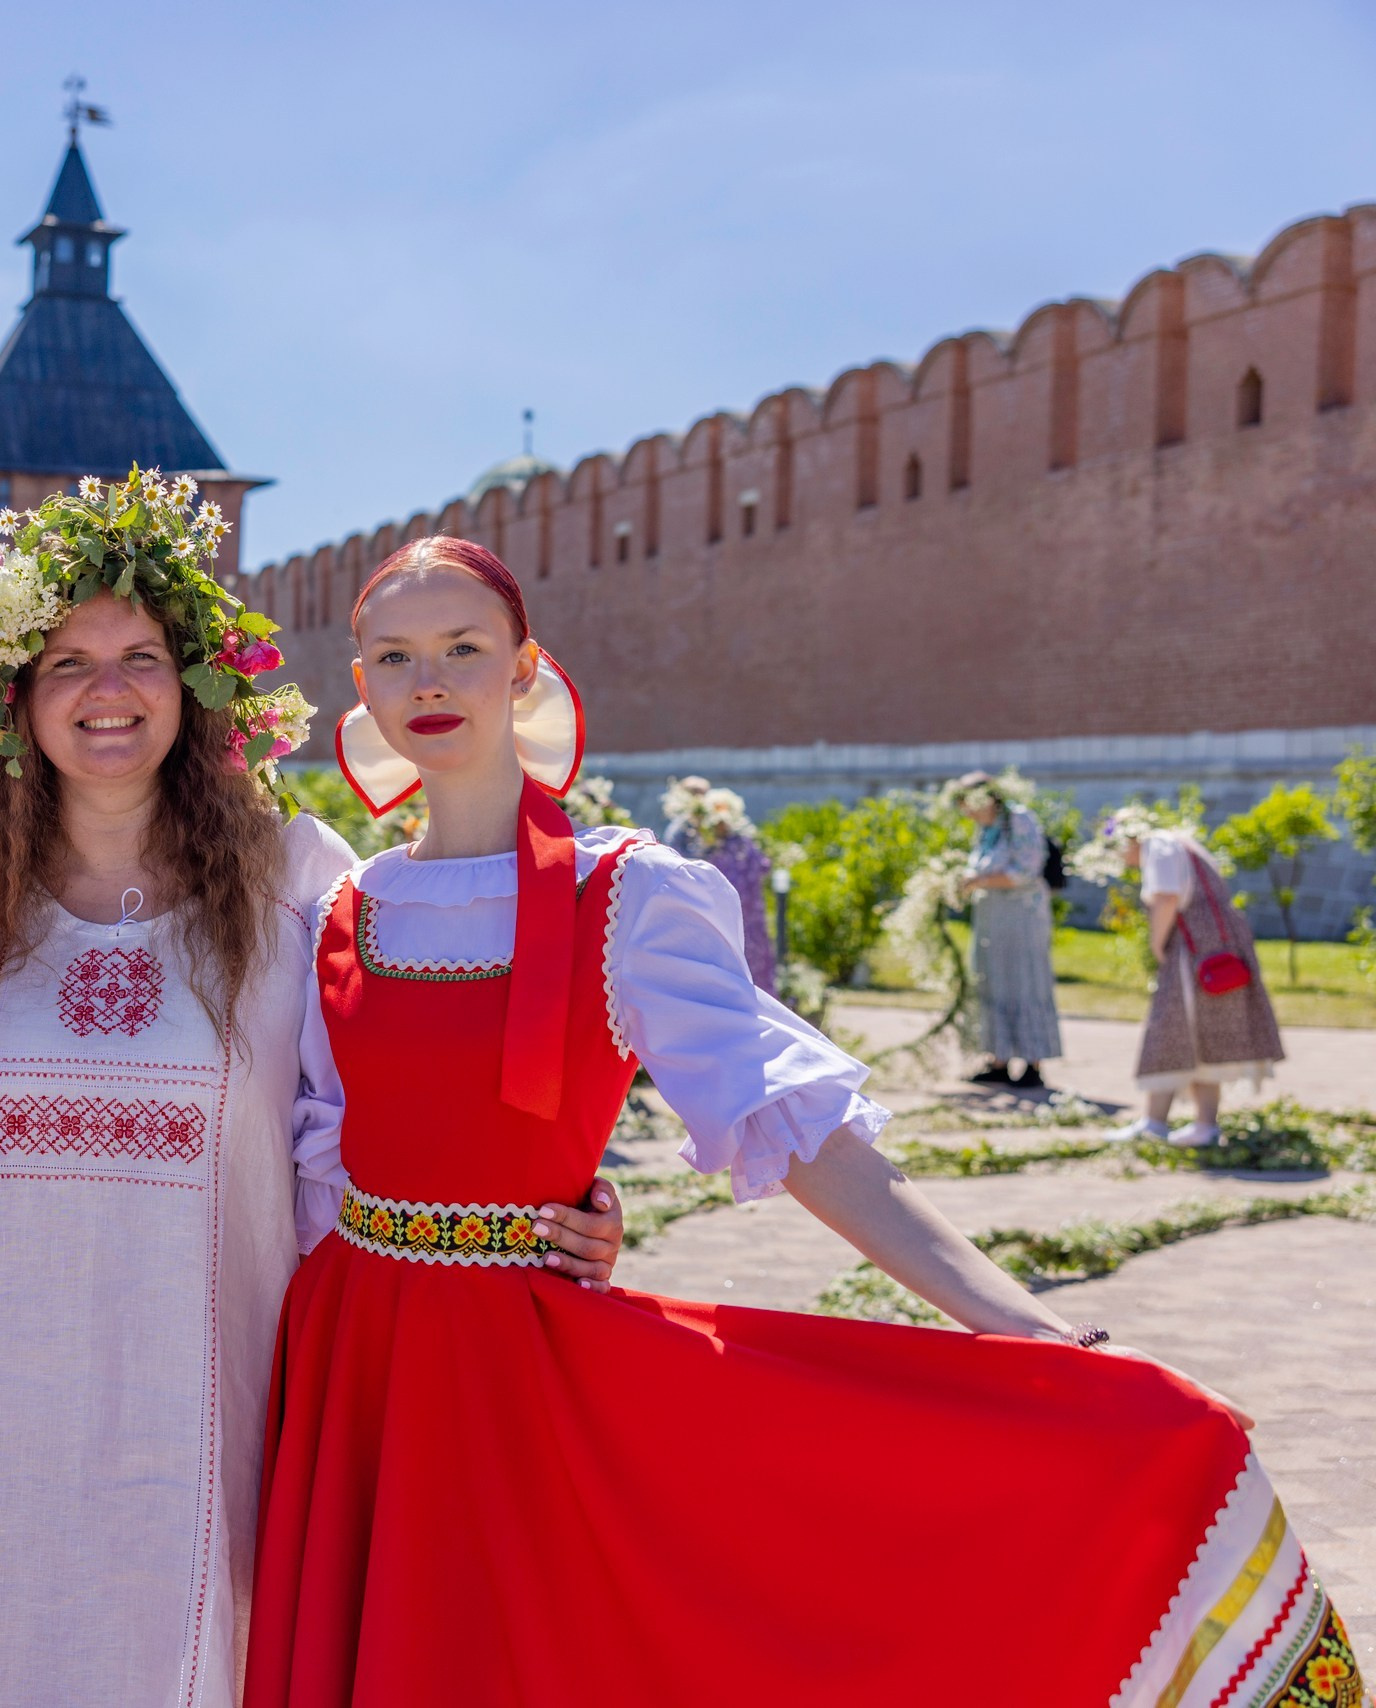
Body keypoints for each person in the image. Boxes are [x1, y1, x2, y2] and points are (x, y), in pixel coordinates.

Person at [243, 538, 1357, 1708]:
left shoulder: (624, 894)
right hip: (357, 1357)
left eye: (464, 648)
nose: (430, 680)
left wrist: (1019, 1323)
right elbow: (315, 1162)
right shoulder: (340, 907)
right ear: (359, 686)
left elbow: (796, 1125)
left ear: (525, 670)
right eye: (395, 655)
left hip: (522, 1369)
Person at [0, 477, 626, 1708]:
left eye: (142, 656)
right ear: (14, 699)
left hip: (211, 1391)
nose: (109, 691)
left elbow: (406, 1063)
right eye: (67, 663)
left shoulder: (299, 884)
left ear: (197, 683)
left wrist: (551, 1191)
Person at [1092, 807, 1284, 1146]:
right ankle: (1200, 1124)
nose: (1122, 857)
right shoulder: (1182, 843)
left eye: (1119, 847)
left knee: (1171, 1027)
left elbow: (1166, 897)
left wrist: (1156, 944)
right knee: (1199, 1033)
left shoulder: (1160, 845)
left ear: (1131, 837)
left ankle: (1160, 1123)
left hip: (1194, 950)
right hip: (1216, 947)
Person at [951, 770, 1064, 1089]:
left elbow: (1026, 870)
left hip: (1022, 917)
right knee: (992, 980)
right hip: (992, 918)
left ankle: (1032, 1061)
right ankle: (997, 1058)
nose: (966, 812)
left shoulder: (1019, 819)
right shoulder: (985, 830)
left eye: (968, 802)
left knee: (1025, 980)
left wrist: (978, 881)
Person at [659, 773, 775, 990]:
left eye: (703, 793)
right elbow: (682, 862)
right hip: (701, 908)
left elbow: (751, 857)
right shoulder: (680, 830)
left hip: (740, 906)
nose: (700, 798)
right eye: (694, 794)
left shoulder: (725, 824)